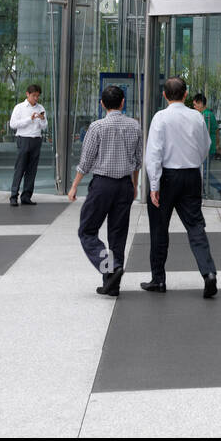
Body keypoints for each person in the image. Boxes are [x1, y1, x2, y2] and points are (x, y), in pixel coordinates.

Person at [143, 77, 218, 298]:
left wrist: (154, 184)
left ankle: (158, 279)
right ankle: (209, 273)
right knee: (195, 226)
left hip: (167, 177)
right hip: (191, 175)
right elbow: (205, 147)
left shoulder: (160, 118)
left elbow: (153, 154)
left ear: (164, 95)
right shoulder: (197, 117)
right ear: (186, 95)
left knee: (159, 228)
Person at [67, 85, 143, 297]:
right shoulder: (135, 126)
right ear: (123, 102)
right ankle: (112, 282)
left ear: (102, 104)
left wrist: (74, 186)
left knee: (87, 230)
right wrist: (134, 186)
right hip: (125, 185)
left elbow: (86, 160)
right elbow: (138, 161)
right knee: (117, 235)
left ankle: (109, 268)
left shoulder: (97, 127)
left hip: (102, 185)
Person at [8, 84, 47, 206]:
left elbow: (45, 126)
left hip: (36, 140)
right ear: (27, 94)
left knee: (32, 170)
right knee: (20, 168)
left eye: (37, 96)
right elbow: (13, 124)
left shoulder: (41, 108)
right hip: (23, 139)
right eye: (34, 95)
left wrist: (41, 119)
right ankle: (14, 196)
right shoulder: (19, 107)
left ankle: (26, 196)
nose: (36, 98)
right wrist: (29, 119)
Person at [191, 92, 221, 200]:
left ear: (200, 103)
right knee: (202, 171)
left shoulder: (205, 115)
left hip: (206, 148)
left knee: (204, 172)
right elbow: (216, 130)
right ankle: (202, 190)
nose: (194, 108)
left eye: (195, 105)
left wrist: (217, 145)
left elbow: (205, 132)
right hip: (208, 147)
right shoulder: (208, 114)